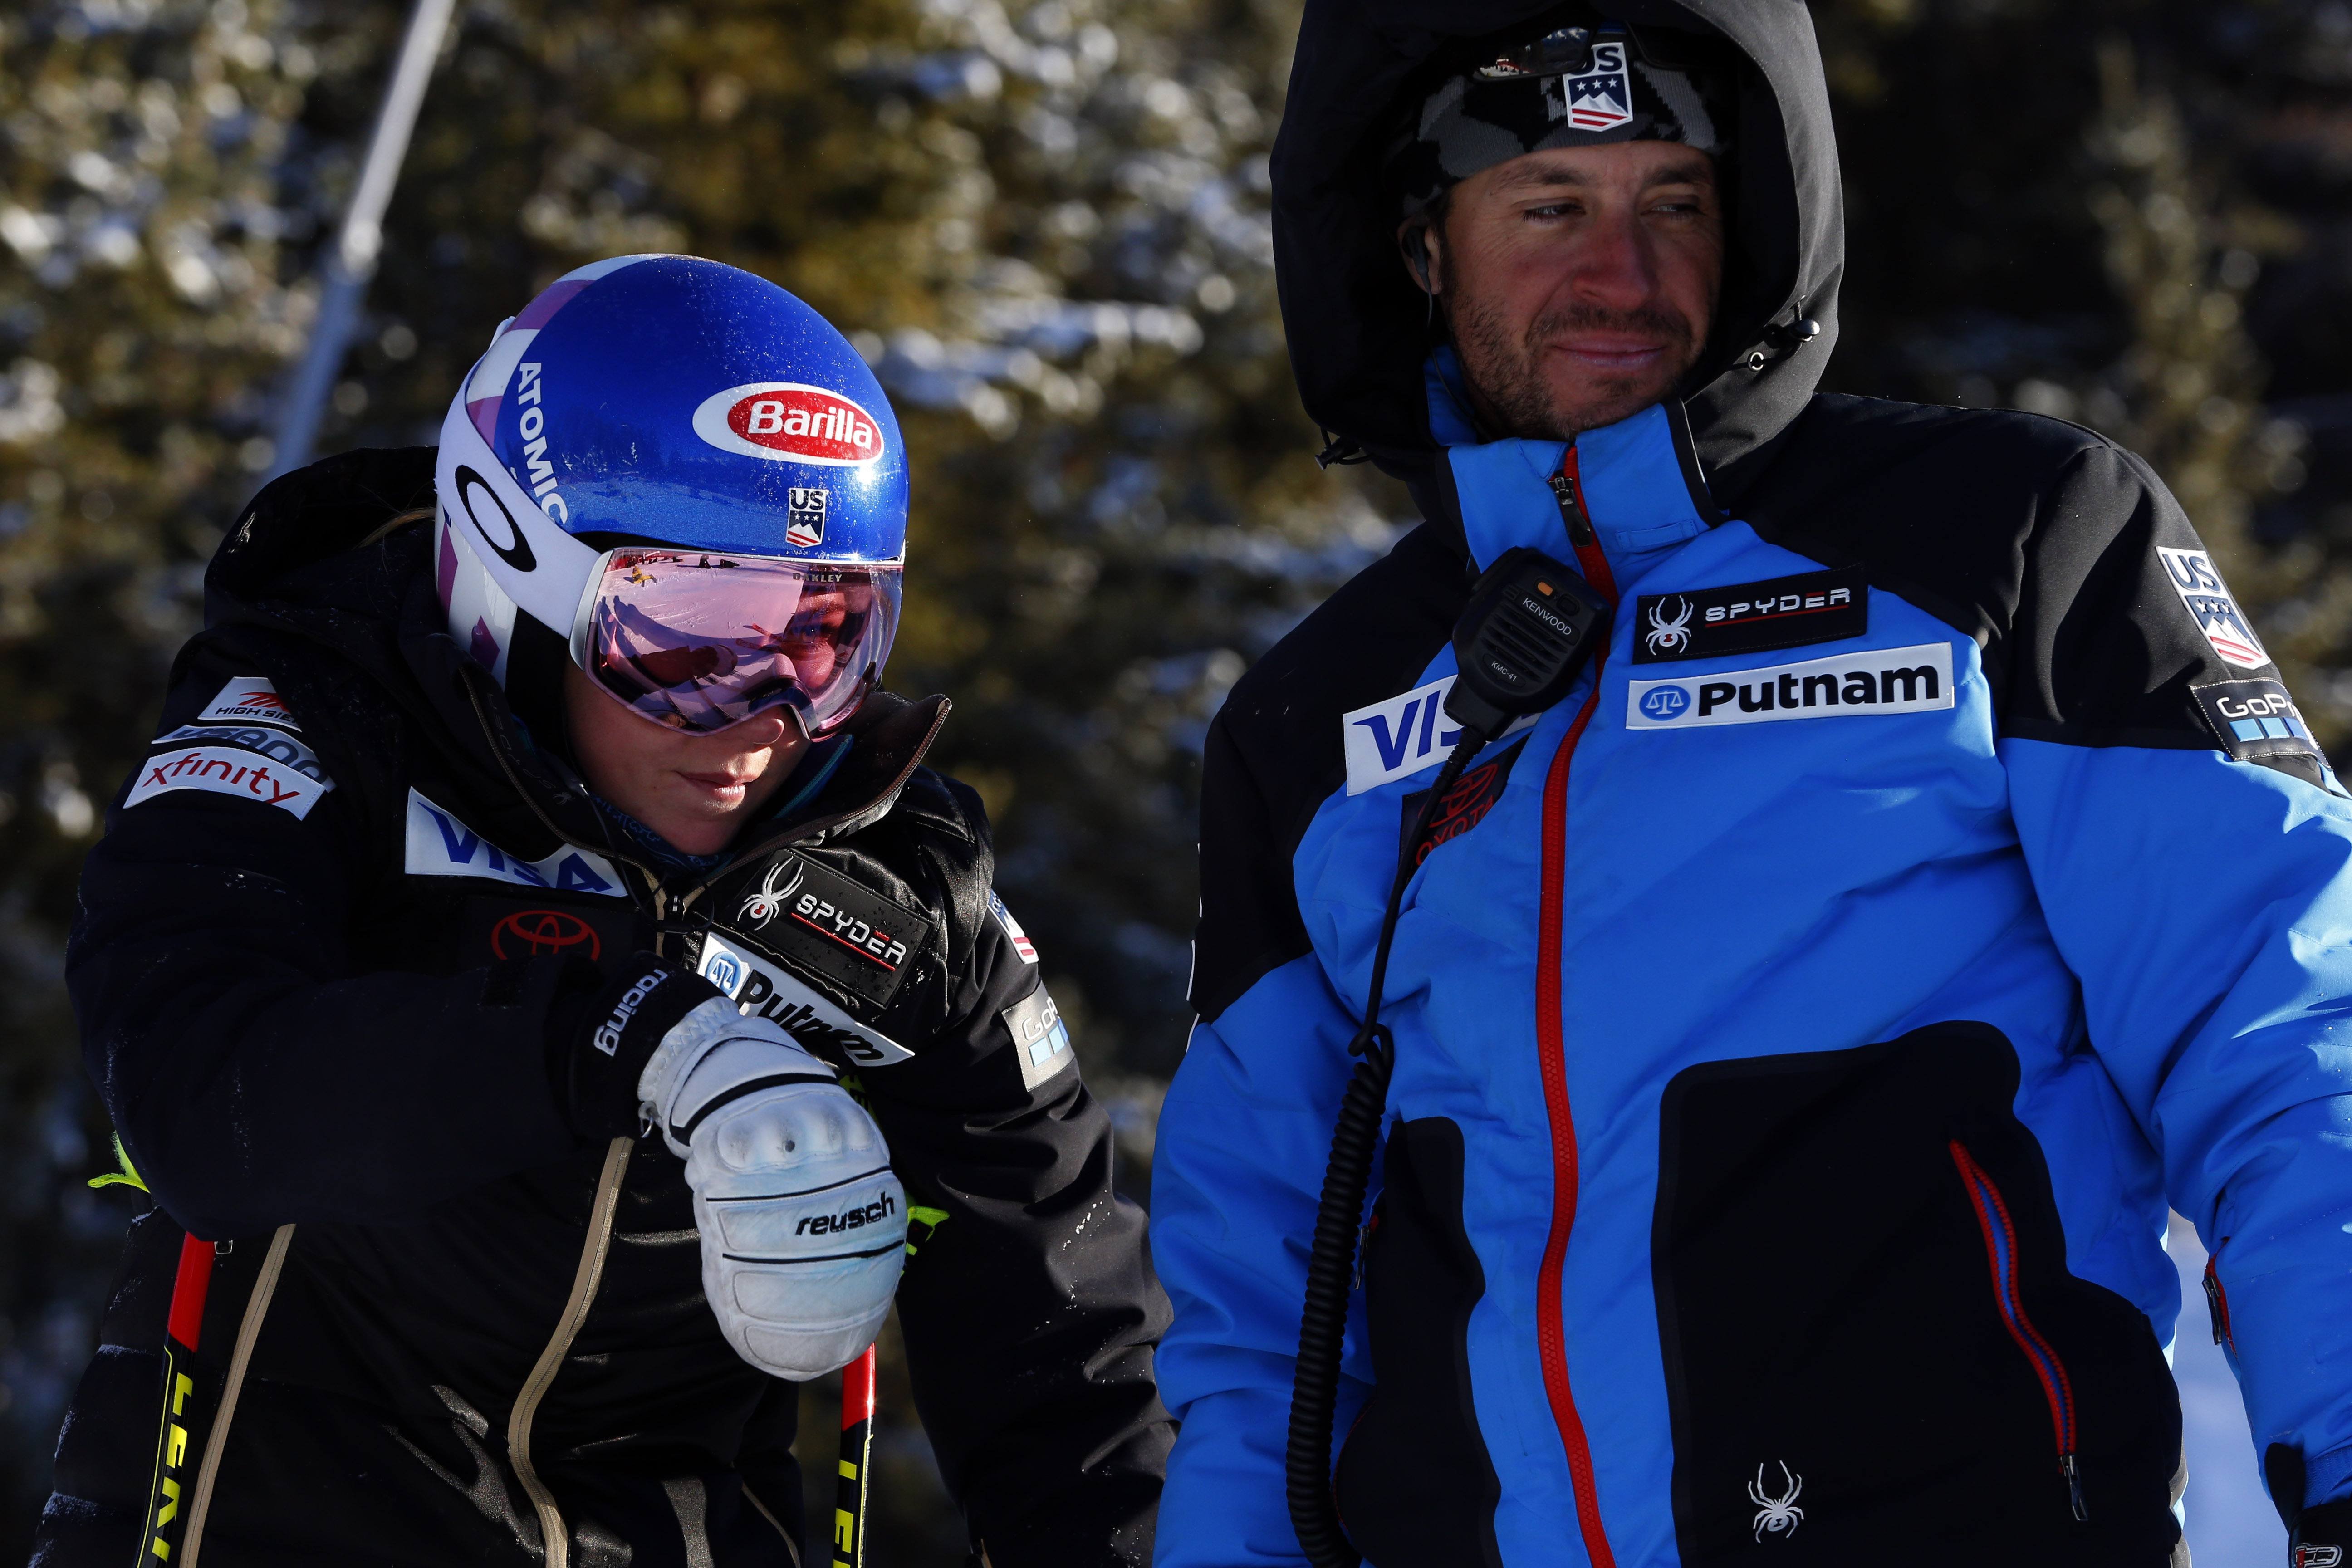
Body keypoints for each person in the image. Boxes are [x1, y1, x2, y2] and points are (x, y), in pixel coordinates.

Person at [1150, 2, 2352, 1564]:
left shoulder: (2009, 541)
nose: (1624, 276)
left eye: (1675, 203)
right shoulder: (1320, 714)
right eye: (1550, 207)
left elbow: (2288, 1036)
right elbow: (1258, 1292)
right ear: (1422, 248)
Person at [33, 255, 1170, 1568]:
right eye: (686, 634)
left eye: (825, 636)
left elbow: (1066, 1354)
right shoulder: (314, 740)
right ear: (507, 573)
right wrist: (619, 1040)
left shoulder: (893, 900)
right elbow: (194, 1087)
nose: (761, 718)